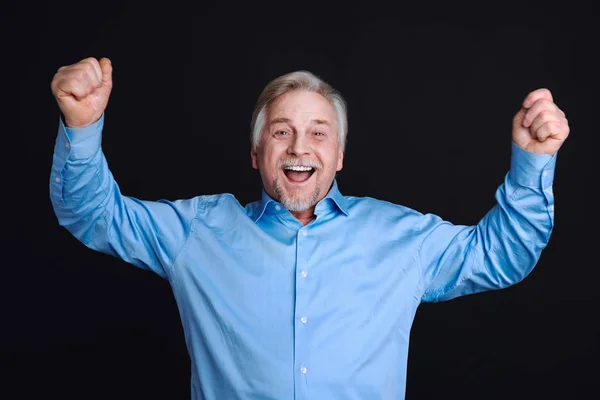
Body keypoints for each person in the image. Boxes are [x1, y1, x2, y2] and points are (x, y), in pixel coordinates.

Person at [49, 56, 570, 400]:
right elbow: (94, 214)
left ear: (339, 155)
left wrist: (532, 162)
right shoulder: (198, 232)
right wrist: (81, 124)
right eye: (282, 132)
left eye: (318, 133)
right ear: (257, 154)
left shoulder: (401, 238)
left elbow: (501, 256)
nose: (300, 148)